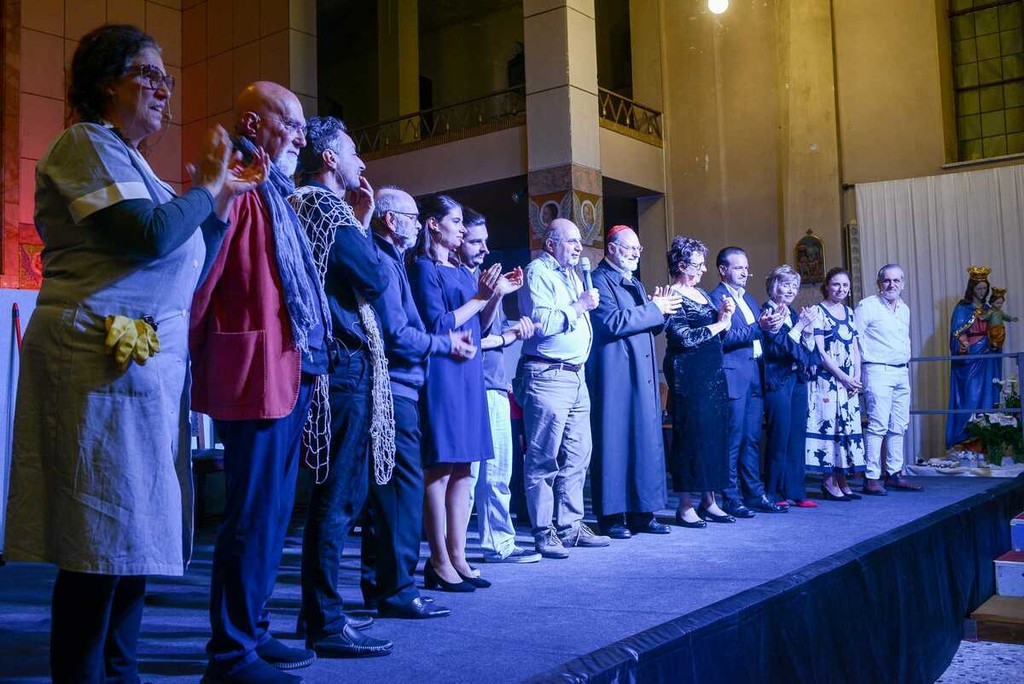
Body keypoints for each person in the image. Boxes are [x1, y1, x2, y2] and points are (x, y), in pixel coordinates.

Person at [4, 24, 255, 683]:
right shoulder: (85, 143)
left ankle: (122, 675)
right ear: (105, 82)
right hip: (94, 363)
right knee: (97, 545)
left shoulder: (142, 169)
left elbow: (187, 260)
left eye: (165, 78)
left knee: (133, 540)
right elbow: (147, 236)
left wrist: (218, 203)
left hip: (138, 370)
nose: (162, 89)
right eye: (147, 73)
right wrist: (206, 187)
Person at [190, 81, 328, 683]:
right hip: (254, 374)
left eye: (302, 127)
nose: (300, 137)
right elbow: (199, 279)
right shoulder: (235, 183)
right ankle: (231, 654)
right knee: (251, 515)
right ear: (253, 122)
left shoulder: (276, 191)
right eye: (290, 124)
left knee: (273, 514)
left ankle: (255, 626)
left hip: (290, 369)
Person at [288, 116, 394, 658]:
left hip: (332, 362)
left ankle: (318, 612)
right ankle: (325, 622)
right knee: (338, 498)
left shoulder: (303, 205)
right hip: (345, 365)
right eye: (353, 152)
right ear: (329, 158)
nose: (361, 162)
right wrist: (363, 223)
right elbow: (374, 279)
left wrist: (363, 220)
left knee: (334, 496)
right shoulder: (327, 208)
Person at [362, 186, 475, 618]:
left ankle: (386, 585)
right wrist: (444, 343)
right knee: (402, 493)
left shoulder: (393, 260)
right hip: (397, 387)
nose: (415, 224)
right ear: (392, 221)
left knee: (395, 493)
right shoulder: (394, 263)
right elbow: (400, 333)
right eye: (411, 217)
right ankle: (397, 588)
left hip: (404, 385)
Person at [409, 195, 521, 591]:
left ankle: (458, 556)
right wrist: (479, 297)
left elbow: (482, 326)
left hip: (470, 372)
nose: (461, 228)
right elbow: (438, 324)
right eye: (456, 221)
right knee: (440, 468)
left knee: (464, 469)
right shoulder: (423, 267)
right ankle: (438, 559)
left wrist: (494, 295)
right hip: (443, 372)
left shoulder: (458, 268)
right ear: (434, 225)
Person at [516, 218, 611, 558]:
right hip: (547, 375)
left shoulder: (572, 274)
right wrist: (579, 306)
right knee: (543, 458)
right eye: (570, 241)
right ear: (550, 243)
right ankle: (544, 532)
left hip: (575, 376)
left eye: (579, 241)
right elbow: (541, 323)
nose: (577, 247)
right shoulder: (538, 272)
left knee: (578, 454)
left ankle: (571, 527)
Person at [458, 208, 542, 563]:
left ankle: (499, 544)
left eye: (485, 241)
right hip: (470, 386)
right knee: (468, 476)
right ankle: (452, 554)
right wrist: (508, 335)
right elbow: (472, 336)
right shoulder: (457, 279)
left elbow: (487, 328)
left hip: (494, 384)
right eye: (475, 241)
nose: (484, 248)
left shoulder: (479, 279)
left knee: (498, 472)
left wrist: (499, 297)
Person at [587, 225, 680, 538]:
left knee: (644, 442)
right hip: (615, 376)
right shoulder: (598, 280)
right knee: (613, 444)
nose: (637, 254)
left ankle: (643, 513)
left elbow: (649, 325)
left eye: (639, 249)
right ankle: (612, 517)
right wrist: (654, 309)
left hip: (641, 374)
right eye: (631, 249)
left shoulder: (635, 283)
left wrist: (663, 312)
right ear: (612, 248)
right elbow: (610, 322)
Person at [709, 247, 787, 517]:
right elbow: (724, 337)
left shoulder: (751, 300)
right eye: (738, 267)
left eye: (746, 267)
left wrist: (773, 326)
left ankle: (755, 494)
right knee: (733, 440)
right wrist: (759, 328)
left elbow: (757, 334)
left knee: (752, 439)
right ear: (723, 270)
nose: (745, 272)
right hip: (733, 375)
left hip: (755, 373)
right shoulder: (717, 298)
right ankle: (731, 498)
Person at [663, 237, 735, 527]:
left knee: (713, 436)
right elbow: (683, 337)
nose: (705, 269)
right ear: (682, 265)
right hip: (688, 376)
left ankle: (709, 500)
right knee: (691, 436)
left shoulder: (702, 293)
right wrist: (719, 324)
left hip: (712, 373)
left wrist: (724, 316)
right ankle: (685, 505)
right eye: (698, 264)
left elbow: (718, 333)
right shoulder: (673, 295)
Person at [855, 264, 923, 495]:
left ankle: (894, 474)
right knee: (878, 426)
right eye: (887, 280)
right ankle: (871, 477)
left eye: (896, 280)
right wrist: (859, 371)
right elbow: (855, 340)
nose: (891, 285)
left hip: (901, 371)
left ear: (902, 284)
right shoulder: (867, 306)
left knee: (899, 426)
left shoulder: (904, 309)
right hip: (877, 370)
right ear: (879, 284)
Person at [760, 266, 821, 508]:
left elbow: (804, 352)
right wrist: (797, 328)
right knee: (779, 436)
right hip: (777, 380)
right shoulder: (766, 311)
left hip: (797, 380)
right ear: (774, 286)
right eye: (786, 285)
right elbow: (775, 349)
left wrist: (808, 332)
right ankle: (774, 492)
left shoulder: (794, 313)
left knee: (797, 436)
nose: (791, 290)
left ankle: (796, 490)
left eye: (794, 286)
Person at [805, 267, 866, 501]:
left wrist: (856, 376)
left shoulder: (849, 312)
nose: (840, 289)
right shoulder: (818, 311)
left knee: (845, 429)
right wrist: (843, 376)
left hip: (849, 382)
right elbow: (821, 352)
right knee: (829, 427)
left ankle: (842, 478)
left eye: (845, 285)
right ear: (827, 286)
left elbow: (855, 348)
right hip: (827, 380)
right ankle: (829, 481)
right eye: (836, 284)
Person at [946, 266, 1002, 448]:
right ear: (972, 288)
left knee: (986, 396)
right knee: (969, 397)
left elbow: (996, 329)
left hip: (987, 358)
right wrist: (962, 343)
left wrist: (997, 337)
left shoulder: (988, 309)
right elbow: (956, 333)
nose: (982, 292)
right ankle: (963, 440)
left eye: (985, 288)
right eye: (979, 288)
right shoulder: (962, 309)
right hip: (969, 360)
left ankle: (983, 444)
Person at [985, 287, 1017, 352]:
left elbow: (1006, 316)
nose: (999, 305)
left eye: (1001, 303)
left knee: (1001, 337)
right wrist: (982, 317)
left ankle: (998, 345)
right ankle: (993, 344)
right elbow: (987, 316)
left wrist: (1012, 318)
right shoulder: (991, 311)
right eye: (997, 303)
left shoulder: (1000, 312)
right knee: (993, 336)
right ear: (992, 302)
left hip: (1000, 328)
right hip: (993, 329)